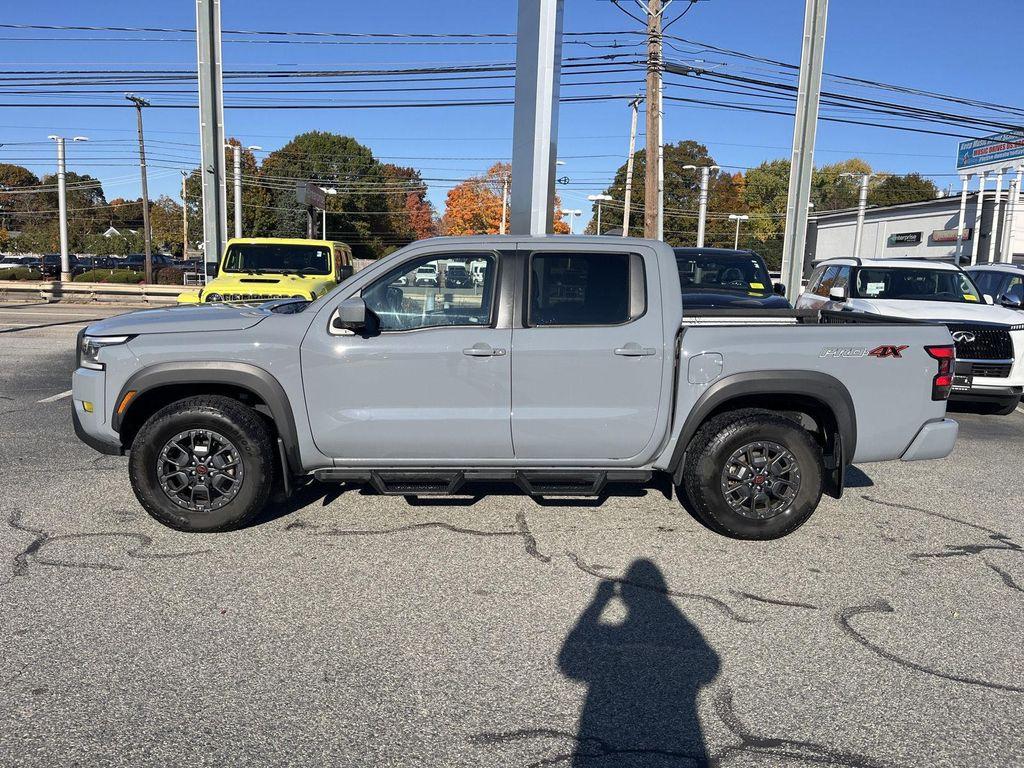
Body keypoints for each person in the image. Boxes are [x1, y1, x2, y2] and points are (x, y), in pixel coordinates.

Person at [558, 559, 720, 766]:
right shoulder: (682, 626)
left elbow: (570, 662)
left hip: (605, 726)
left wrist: (599, 602)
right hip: (680, 727)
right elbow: (709, 667)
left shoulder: (676, 626)